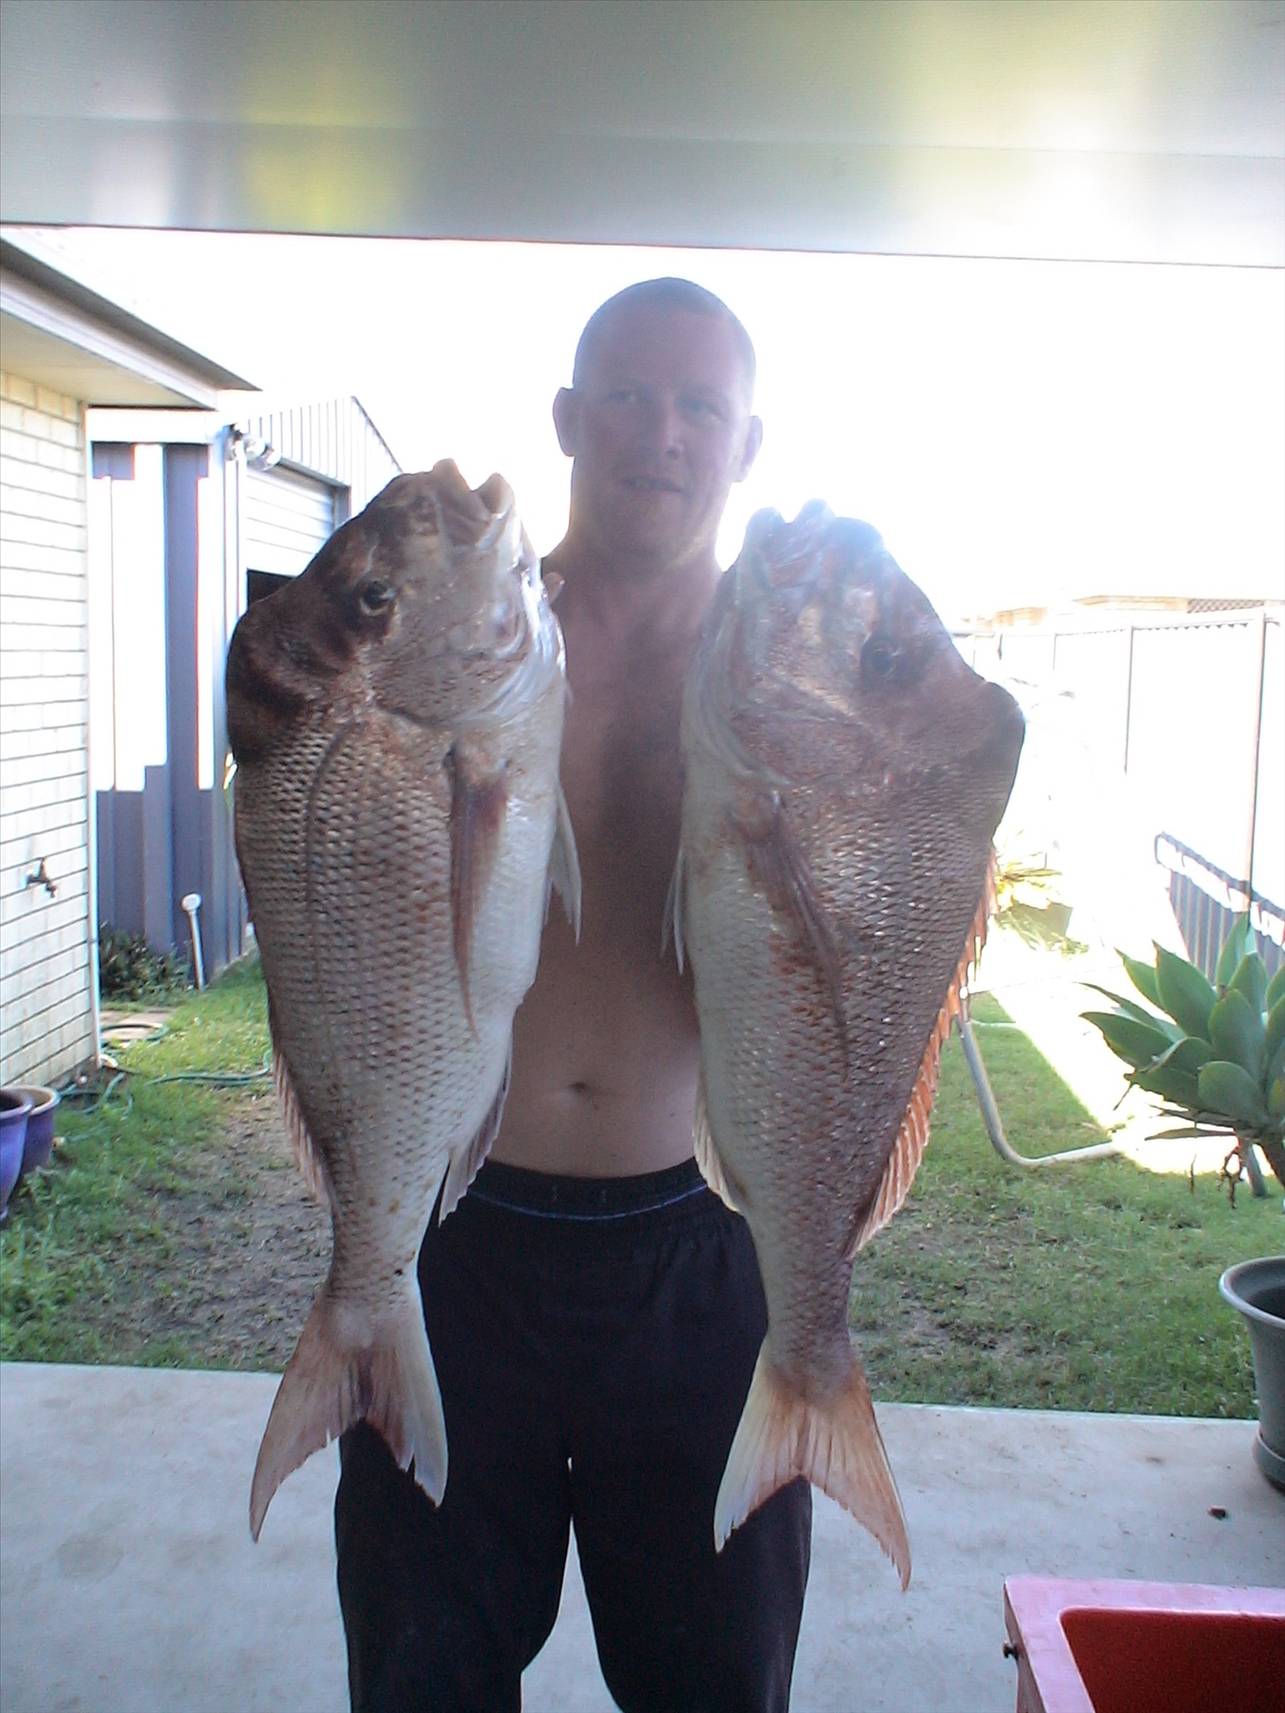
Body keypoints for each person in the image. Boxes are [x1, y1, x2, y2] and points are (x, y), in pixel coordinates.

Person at [334, 278, 812, 1713]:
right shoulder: (444, 643)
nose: (659, 433)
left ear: (746, 443)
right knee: (426, 1676)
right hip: (458, 1237)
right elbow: (312, 808)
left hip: (697, 1243)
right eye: (625, 396)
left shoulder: (791, 670)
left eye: (698, 406)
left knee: (713, 1681)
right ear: (566, 419)